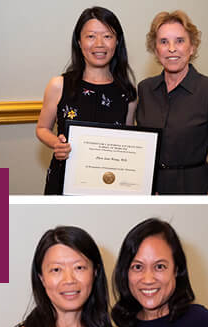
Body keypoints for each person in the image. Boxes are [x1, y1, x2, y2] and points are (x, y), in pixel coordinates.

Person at [39, 7, 137, 195]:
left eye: (107, 36)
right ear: (79, 41)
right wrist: (57, 144)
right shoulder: (59, 85)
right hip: (64, 179)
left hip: (110, 183)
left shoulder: (128, 94)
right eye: (91, 36)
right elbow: (42, 129)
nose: (99, 44)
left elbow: (128, 142)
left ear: (117, 42)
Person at [134, 11, 208, 195]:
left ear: (192, 47)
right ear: (155, 49)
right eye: (163, 42)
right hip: (151, 188)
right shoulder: (145, 88)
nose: (171, 48)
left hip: (194, 187)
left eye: (179, 41)